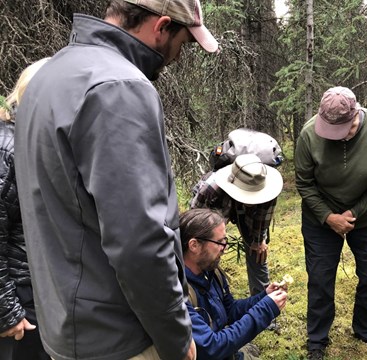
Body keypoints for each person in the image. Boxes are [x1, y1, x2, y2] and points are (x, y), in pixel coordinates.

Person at [13, 0, 219, 359]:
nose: (178, 58)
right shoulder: (120, 87)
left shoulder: (51, 74)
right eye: (183, 43)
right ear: (161, 26)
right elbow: (140, 240)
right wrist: (175, 334)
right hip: (120, 337)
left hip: (66, 327)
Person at [295, 86, 367, 360]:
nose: (337, 138)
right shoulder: (308, 134)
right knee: (320, 279)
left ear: (356, 116)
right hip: (320, 219)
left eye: (344, 131)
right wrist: (328, 217)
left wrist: (353, 213)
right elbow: (304, 183)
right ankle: (317, 341)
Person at [180, 207, 287, 360]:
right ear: (194, 245)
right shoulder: (178, 294)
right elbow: (212, 347)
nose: (225, 248)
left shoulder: (211, 271)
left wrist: (264, 297)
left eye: (226, 241)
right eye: (220, 242)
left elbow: (229, 310)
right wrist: (266, 309)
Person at [0, 57, 50, 360]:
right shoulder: (8, 149)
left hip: (35, 300)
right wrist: (7, 312)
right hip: (17, 309)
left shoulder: (32, 144)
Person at [190, 152, 283, 300]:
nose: (251, 199)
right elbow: (194, 226)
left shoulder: (269, 188)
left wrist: (258, 241)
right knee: (207, 251)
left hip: (250, 215)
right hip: (215, 207)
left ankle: (262, 302)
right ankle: (208, 299)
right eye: (248, 194)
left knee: (258, 253)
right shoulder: (210, 190)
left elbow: (263, 219)